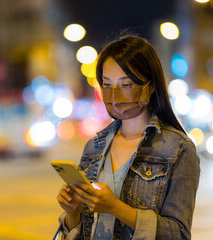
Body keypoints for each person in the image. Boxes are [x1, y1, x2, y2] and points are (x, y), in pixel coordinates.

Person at [56, 34, 200, 240]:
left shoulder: (178, 149)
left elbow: (178, 234)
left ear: (150, 86)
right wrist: (72, 211)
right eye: (107, 84)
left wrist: (116, 208)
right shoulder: (93, 147)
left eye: (125, 84)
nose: (114, 95)